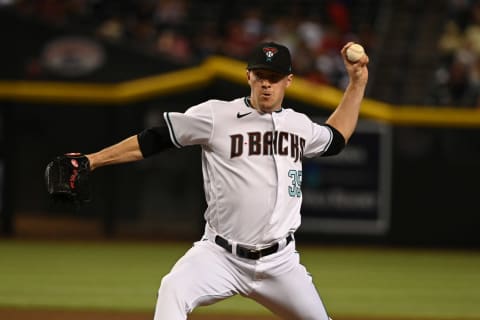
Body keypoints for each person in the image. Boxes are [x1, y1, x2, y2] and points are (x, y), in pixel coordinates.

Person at [77, 41, 368, 319]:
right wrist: (92, 160)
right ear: (248, 77)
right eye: (260, 75)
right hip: (220, 255)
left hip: (281, 263)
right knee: (173, 288)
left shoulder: (299, 125)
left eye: (274, 77)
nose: (266, 83)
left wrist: (357, 83)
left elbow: (337, 137)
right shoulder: (217, 115)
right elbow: (154, 139)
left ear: (288, 81)